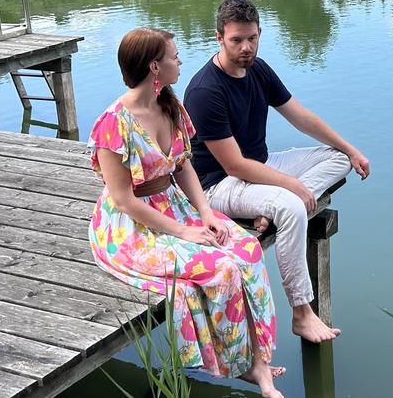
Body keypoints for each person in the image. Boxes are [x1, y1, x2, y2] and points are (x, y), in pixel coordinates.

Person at [88, 27, 285, 397]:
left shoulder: (170, 105)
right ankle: (236, 364)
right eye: (173, 56)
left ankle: (257, 359)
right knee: (219, 268)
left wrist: (206, 213)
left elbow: (182, 166)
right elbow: (123, 199)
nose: (180, 61)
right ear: (154, 68)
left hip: (174, 204)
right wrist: (182, 233)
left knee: (247, 249)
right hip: (131, 226)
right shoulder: (113, 124)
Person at [184, 0, 371, 344]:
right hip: (219, 185)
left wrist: (350, 148)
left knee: (338, 158)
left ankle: (270, 205)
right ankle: (302, 313)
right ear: (219, 37)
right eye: (236, 39)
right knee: (289, 207)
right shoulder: (204, 90)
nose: (246, 47)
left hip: (261, 167)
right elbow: (234, 164)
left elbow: (300, 116)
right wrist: (290, 187)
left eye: (252, 38)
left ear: (260, 33)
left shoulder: (259, 69)